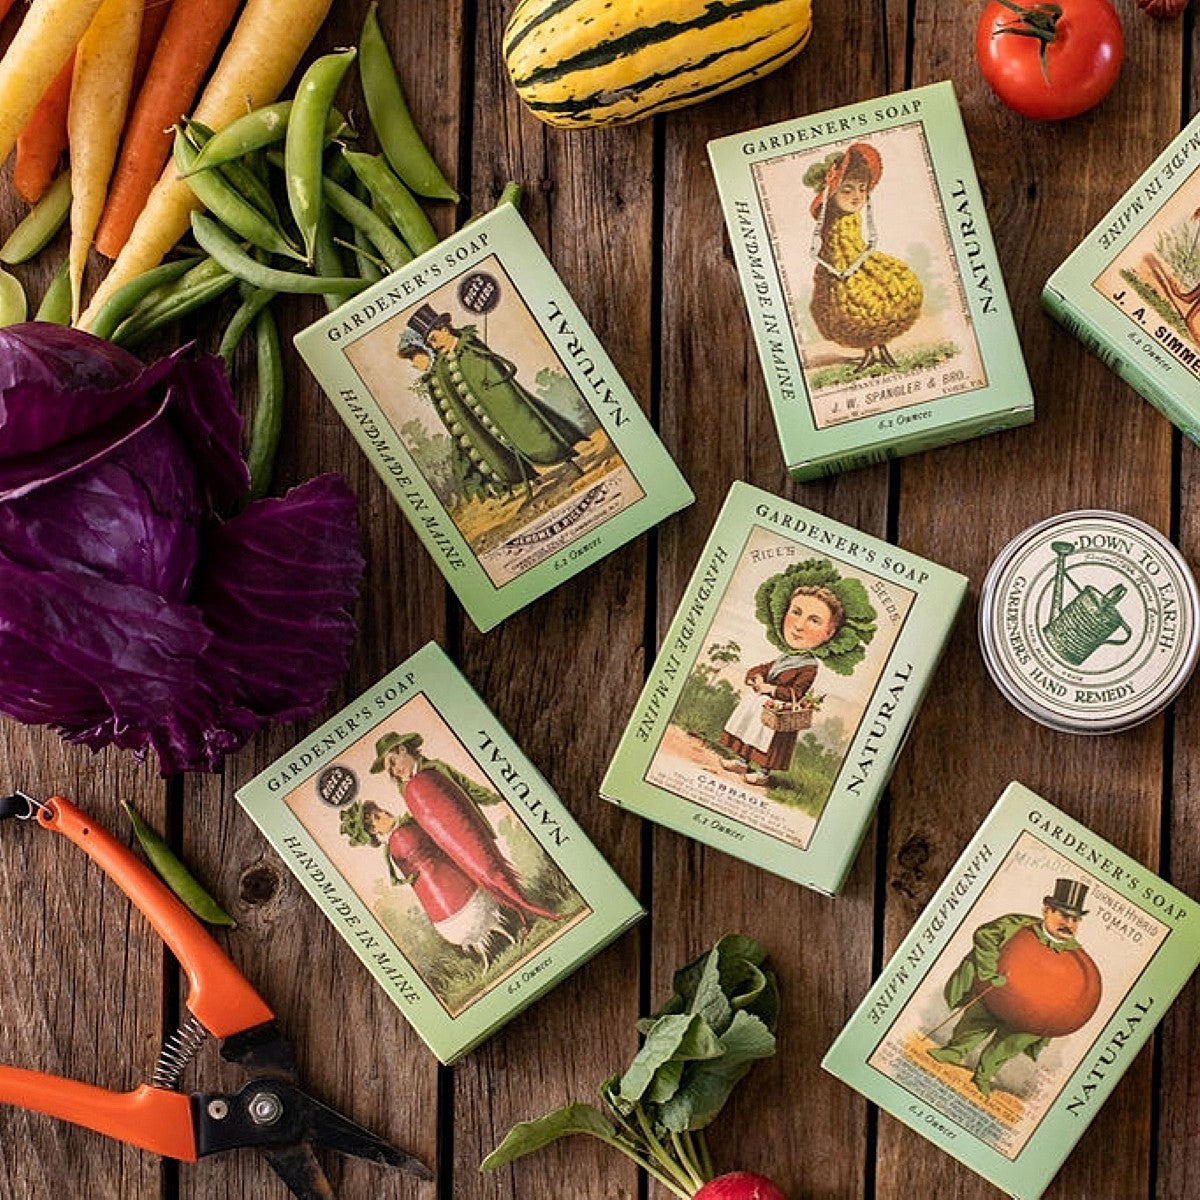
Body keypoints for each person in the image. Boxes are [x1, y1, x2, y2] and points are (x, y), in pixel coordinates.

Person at [341, 731, 559, 960]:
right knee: (488, 880)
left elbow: (465, 787)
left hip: (468, 836)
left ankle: (533, 913)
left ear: (403, 750)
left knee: (493, 874)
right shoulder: (406, 792)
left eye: (393, 763)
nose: (395, 771)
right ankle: (526, 916)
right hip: (453, 858)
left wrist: (495, 798)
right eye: (390, 770)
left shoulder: (433, 770)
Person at [397, 303, 587, 501]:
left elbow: (491, 367)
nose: (434, 346)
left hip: (504, 404)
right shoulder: (446, 362)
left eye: (434, 339)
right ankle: (531, 483)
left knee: (532, 430)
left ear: (444, 329)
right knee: (502, 448)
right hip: (485, 414)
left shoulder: (468, 346)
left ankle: (568, 465)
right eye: (430, 343)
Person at [927, 878, 1094, 1096]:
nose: (1069, 924)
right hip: (998, 994)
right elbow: (984, 935)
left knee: (1010, 1044)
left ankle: (983, 1075)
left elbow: (1084, 992)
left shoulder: (1078, 957)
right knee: (976, 1021)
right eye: (1063, 916)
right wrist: (988, 972)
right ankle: (953, 1052)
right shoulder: (1017, 925)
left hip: (1032, 1016)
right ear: (1046, 910)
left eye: (1075, 919)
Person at [718, 559, 875, 786]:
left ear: (829, 633)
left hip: (780, 712)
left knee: (767, 741)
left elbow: (797, 692)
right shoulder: (785, 657)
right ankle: (742, 760)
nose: (799, 626)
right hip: (762, 705)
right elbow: (763, 668)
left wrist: (770, 689)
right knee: (749, 730)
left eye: (814, 620)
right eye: (796, 612)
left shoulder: (809, 666)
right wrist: (757, 677)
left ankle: (762, 773)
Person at [806, 141, 922, 372]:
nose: (857, 196)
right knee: (846, 305)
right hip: (836, 266)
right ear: (832, 192)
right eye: (847, 189)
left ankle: (881, 349)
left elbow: (866, 244)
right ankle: (869, 352)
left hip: (860, 258)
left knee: (885, 295)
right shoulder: (830, 225)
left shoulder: (856, 220)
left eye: (862, 188)